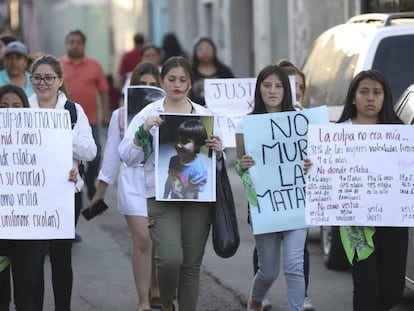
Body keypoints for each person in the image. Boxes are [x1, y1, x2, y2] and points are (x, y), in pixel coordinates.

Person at [118, 56, 223, 311]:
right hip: (161, 196)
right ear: (162, 81)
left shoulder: (205, 115)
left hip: (198, 199)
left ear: (190, 83)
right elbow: (127, 156)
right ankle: (166, 302)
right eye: (171, 79)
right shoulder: (148, 113)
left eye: (183, 80)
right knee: (169, 259)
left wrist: (219, 151)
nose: (177, 84)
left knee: (191, 264)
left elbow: (217, 164)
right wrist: (144, 131)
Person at [90, 61, 162, 311]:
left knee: (158, 240)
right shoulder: (120, 116)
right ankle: (143, 300)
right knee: (143, 239)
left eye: (154, 85)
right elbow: (111, 156)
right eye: (143, 85)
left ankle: (156, 288)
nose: (148, 89)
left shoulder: (167, 113)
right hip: (132, 183)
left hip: (160, 184)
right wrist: (100, 192)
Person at [0, 84, 78, 311]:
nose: (10, 111)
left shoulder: (43, 139)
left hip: (30, 235)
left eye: (16, 106)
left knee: (27, 299)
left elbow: (53, 172)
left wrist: (68, 176)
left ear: (26, 109)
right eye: (3, 106)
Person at [236, 65, 307, 311]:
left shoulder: (301, 121)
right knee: (268, 270)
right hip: (264, 204)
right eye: (267, 85)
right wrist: (242, 166)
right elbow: (240, 169)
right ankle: (256, 299)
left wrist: (310, 165)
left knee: (294, 265)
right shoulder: (246, 124)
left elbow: (314, 160)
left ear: (286, 90)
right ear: (259, 90)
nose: (272, 91)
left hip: (296, 201)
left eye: (278, 86)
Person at [29, 54, 97, 311]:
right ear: (31, 79)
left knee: (60, 257)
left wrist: (61, 131)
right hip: (31, 196)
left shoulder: (72, 111)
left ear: (59, 80)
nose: (43, 83)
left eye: (48, 78)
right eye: (37, 78)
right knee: (33, 259)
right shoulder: (23, 107)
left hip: (66, 192)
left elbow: (89, 152)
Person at [336, 70, 408, 311]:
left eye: (377, 92)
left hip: (393, 222)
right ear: (353, 98)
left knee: (393, 289)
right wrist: (313, 167)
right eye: (364, 92)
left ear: (384, 97)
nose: (370, 97)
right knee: (365, 285)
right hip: (356, 225)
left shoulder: (401, 134)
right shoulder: (336, 135)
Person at [61, 29, 110, 200]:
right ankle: (74, 187)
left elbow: (104, 91)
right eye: (71, 41)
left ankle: (89, 180)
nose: (75, 45)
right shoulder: (59, 66)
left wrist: (106, 114)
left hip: (91, 119)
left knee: (95, 154)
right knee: (70, 156)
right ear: (66, 44)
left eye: (78, 42)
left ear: (84, 45)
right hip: (66, 121)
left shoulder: (94, 65)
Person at [163, 119, 208, 199]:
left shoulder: (198, 171)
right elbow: (169, 181)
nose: (178, 145)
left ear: (197, 145)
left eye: (185, 141)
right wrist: (164, 198)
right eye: (177, 140)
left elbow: (190, 196)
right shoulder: (173, 160)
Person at [190, 37, 234, 106]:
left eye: (208, 48)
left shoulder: (224, 71)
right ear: (195, 52)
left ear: (214, 50)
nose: (205, 52)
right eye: (201, 49)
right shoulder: (190, 72)